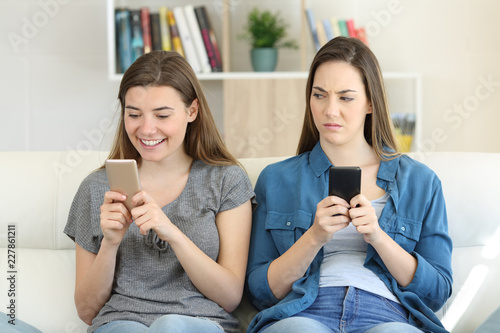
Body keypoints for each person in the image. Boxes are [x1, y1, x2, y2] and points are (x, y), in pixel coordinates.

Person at [245, 36, 453, 333]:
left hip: (388, 314)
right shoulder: (277, 179)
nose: (330, 111)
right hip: (305, 312)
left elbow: (436, 292)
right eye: (319, 95)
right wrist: (314, 236)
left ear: (370, 102)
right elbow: (259, 291)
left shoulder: (421, 182)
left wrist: (378, 237)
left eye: (345, 97)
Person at [64, 50, 254, 333]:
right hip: (120, 324)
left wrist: (172, 233)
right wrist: (110, 243)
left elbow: (229, 296)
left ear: (192, 111)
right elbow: (87, 311)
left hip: (199, 324)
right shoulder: (96, 189)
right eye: (134, 114)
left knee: (171, 326)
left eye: (162, 115)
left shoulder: (226, 180)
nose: (147, 129)